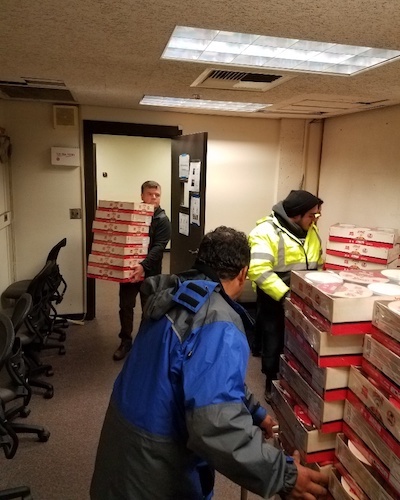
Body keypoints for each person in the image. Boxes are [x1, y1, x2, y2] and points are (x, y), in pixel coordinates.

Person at [91, 226, 328, 500]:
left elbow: (201, 374)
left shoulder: (175, 296)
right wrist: (284, 475)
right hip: (155, 469)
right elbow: (215, 426)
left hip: (122, 448)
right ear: (243, 273)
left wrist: (255, 412)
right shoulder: (219, 323)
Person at [248, 190, 324, 400]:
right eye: (312, 215)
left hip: (302, 293)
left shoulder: (311, 231)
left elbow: (317, 262)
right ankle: (271, 382)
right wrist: (285, 296)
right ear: (296, 215)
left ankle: (295, 377)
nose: (315, 219)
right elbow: (258, 270)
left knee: (299, 340)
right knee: (274, 337)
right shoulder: (266, 231)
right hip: (274, 293)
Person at [113, 180, 171, 361]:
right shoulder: (133, 216)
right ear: (142, 196)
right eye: (150, 194)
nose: (154, 197)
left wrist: (143, 266)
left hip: (150, 273)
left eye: (157, 194)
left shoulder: (162, 220)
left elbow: (159, 247)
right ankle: (125, 341)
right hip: (129, 271)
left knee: (149, 309)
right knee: (126, 306)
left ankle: (144, 343)